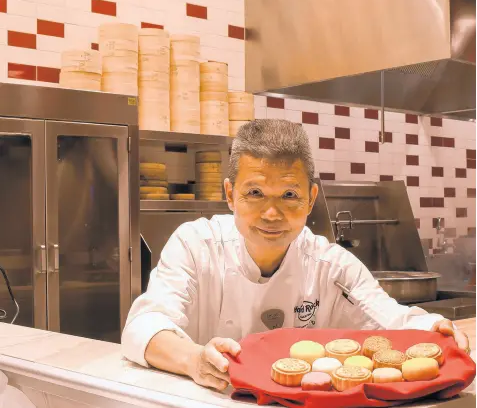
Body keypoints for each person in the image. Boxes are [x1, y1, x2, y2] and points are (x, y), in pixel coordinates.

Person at [122, 119, 470, 391]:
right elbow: (144, 327)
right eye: (255, 193)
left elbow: (393, 320)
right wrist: (194, 360)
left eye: (289, 195)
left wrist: (434, 327)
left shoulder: (330, 265)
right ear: (230, 194)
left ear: (310, 197)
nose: (272, 214)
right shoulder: (196, 245)